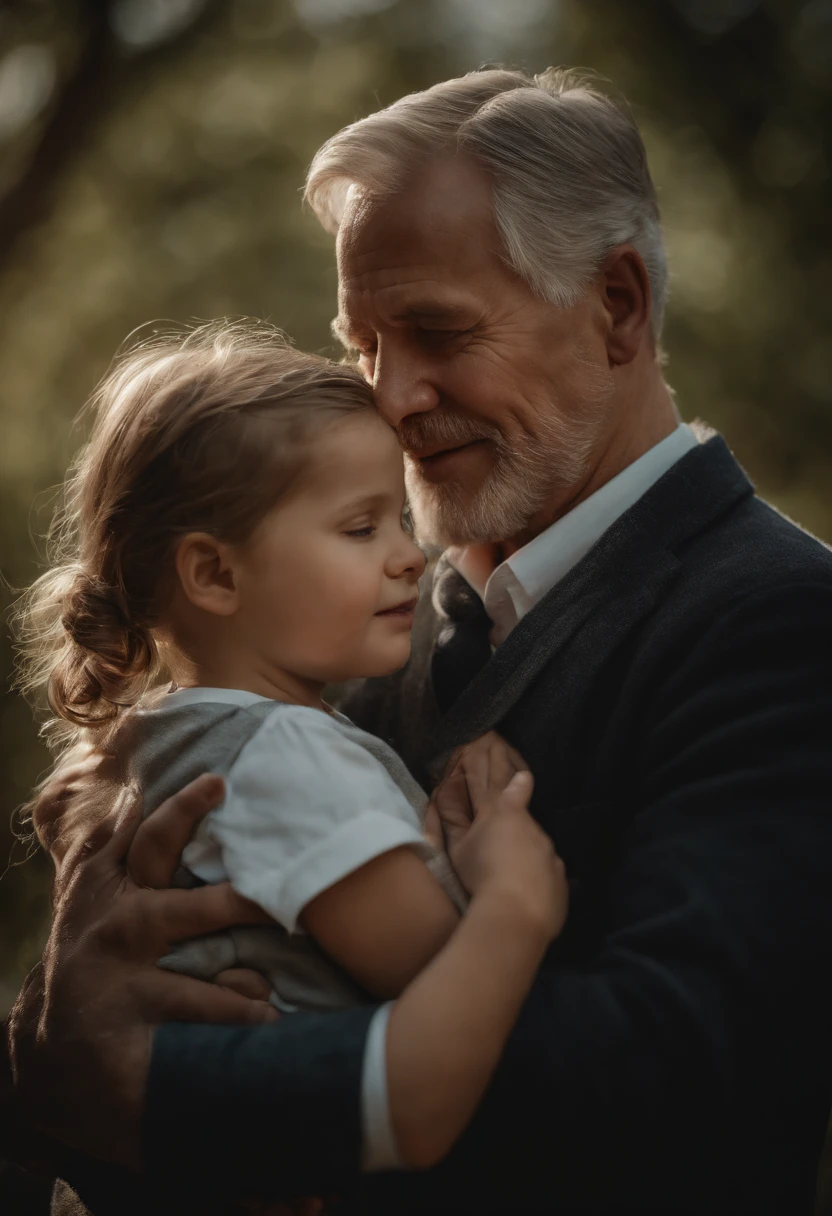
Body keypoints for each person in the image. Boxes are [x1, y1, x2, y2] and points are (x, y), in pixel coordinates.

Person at [5, 64, 832, 1215]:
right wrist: (63, 1055)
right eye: (363, 344)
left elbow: (671, 1076)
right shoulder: (346, 639)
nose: (390, 398)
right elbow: (98, 1050)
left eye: (437, 331)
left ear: (619, 307)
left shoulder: (780, 619)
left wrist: (148, 1085)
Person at [13, 320, 567, 1207]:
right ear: (215, 576)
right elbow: (445, 982)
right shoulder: (282, 757)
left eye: (399, 515)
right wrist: (509, 888)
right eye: (358, 527)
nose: (407, 552)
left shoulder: (155, 746)